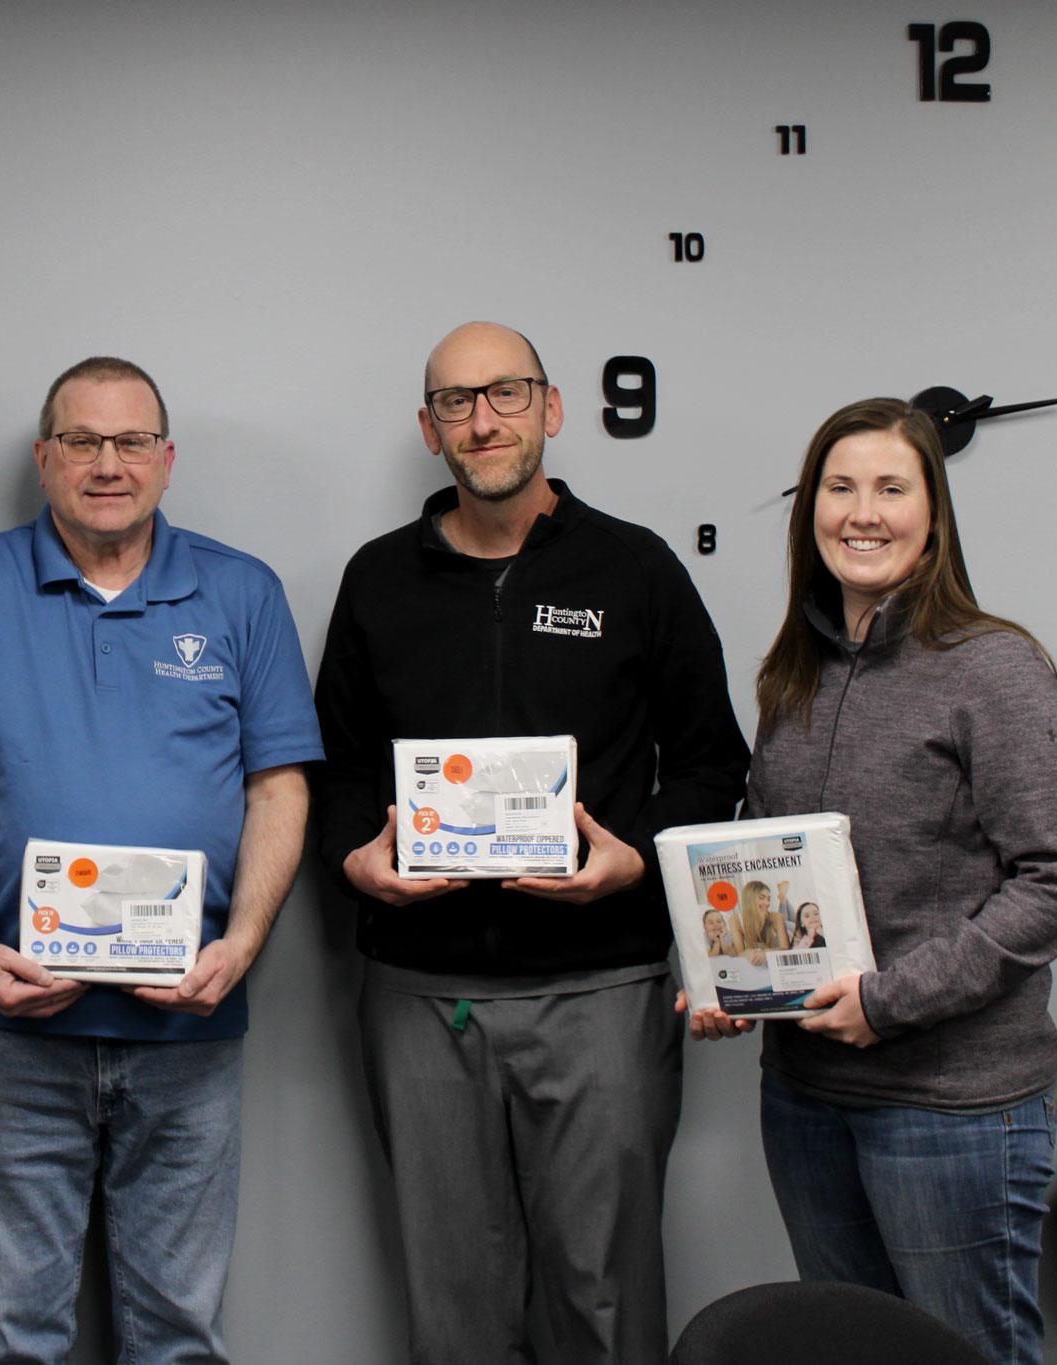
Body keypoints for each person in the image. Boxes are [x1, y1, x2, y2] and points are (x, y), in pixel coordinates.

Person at [312, 322, 750, 1364]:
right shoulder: (376, 579)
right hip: (420, 992)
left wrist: (635, 855)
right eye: (456, 403)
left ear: (551, 410)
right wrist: (352, 862)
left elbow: (707, 761)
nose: (482, 419)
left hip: (600, 984)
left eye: (504, 394)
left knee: (602, 1298)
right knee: (450, 1302)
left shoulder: (635, 570)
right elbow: (332, 767)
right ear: (429, 429)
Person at [0, 356, 323, 1364]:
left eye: (130, 443)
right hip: (10, 1022)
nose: (107, 465)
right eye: (81, 441)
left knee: (176, 1335)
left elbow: (278, 788)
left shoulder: (240, 591)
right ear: (44, 459)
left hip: (188, 1022)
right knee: (6, 1334)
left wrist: (241, 945)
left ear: (166, 461)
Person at [685, 397, 1057, 1365]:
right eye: (838, 487)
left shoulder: (993, 670)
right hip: (806, 1095)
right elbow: (771, 858)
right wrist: (731, 980)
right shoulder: (792, 676)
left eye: (888, 488)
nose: (860, 512)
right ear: (809, 512)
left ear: (931, 515)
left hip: (951, 1106)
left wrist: (886, 1002)